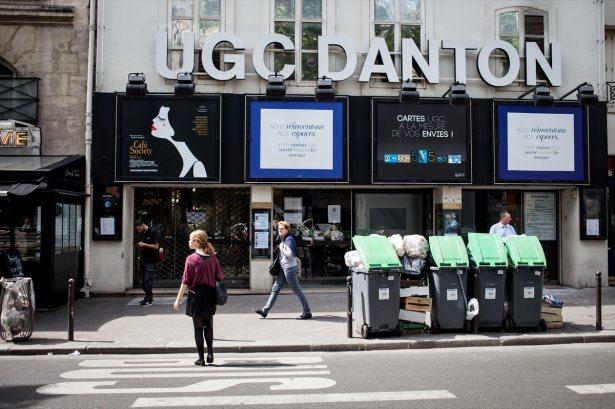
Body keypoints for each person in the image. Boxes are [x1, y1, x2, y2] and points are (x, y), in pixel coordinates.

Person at [173, 230, 223, 366]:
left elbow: (185, 281)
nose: (188, 241)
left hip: (196, 295)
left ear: (196, 242)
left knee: (198, 328)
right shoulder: (213, 258)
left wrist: (178, 299)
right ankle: (210, 353)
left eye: (190, 239)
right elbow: (219, 276)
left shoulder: (191, 259)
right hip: (211, 295)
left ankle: (201, 358)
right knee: (209, 325)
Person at [254, 221, 312, 320]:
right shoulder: (284, 239)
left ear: (287, 230)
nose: (279, 230)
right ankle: (265, 311)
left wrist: (281, 249)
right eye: (278, 229)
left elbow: (290, 255)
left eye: (282, 229)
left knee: (297, 290)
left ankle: (307, 312)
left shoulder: (289, 239)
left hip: (289, 268)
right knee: (275, 289)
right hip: (283, 268)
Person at [135, 220, 160, 306]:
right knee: (143, 280)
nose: (139, 231)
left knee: (148, 280)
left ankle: (149, 299)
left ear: (143, 225)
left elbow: (156, 246)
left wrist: (144, 244)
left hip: (151, 260)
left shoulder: (153, 232)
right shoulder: (142, 234)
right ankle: (147, 297)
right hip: (143, 259)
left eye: (139, 229)